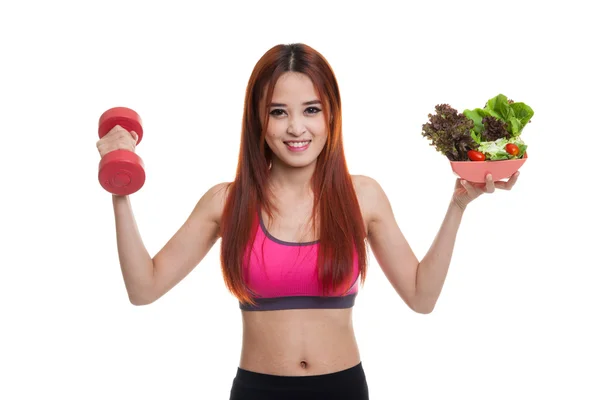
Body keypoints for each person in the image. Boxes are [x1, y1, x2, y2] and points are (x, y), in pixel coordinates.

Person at [96, 43, 519, 399]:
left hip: (344, 388)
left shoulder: (362, 196)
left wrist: (458, 205)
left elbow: (421, 297)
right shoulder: (226, 202)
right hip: (258, 390)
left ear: (331, 114)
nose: (296, 127)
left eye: (310, 109)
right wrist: (120, 189)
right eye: (278, 112)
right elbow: (143, 287)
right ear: (257, 121)